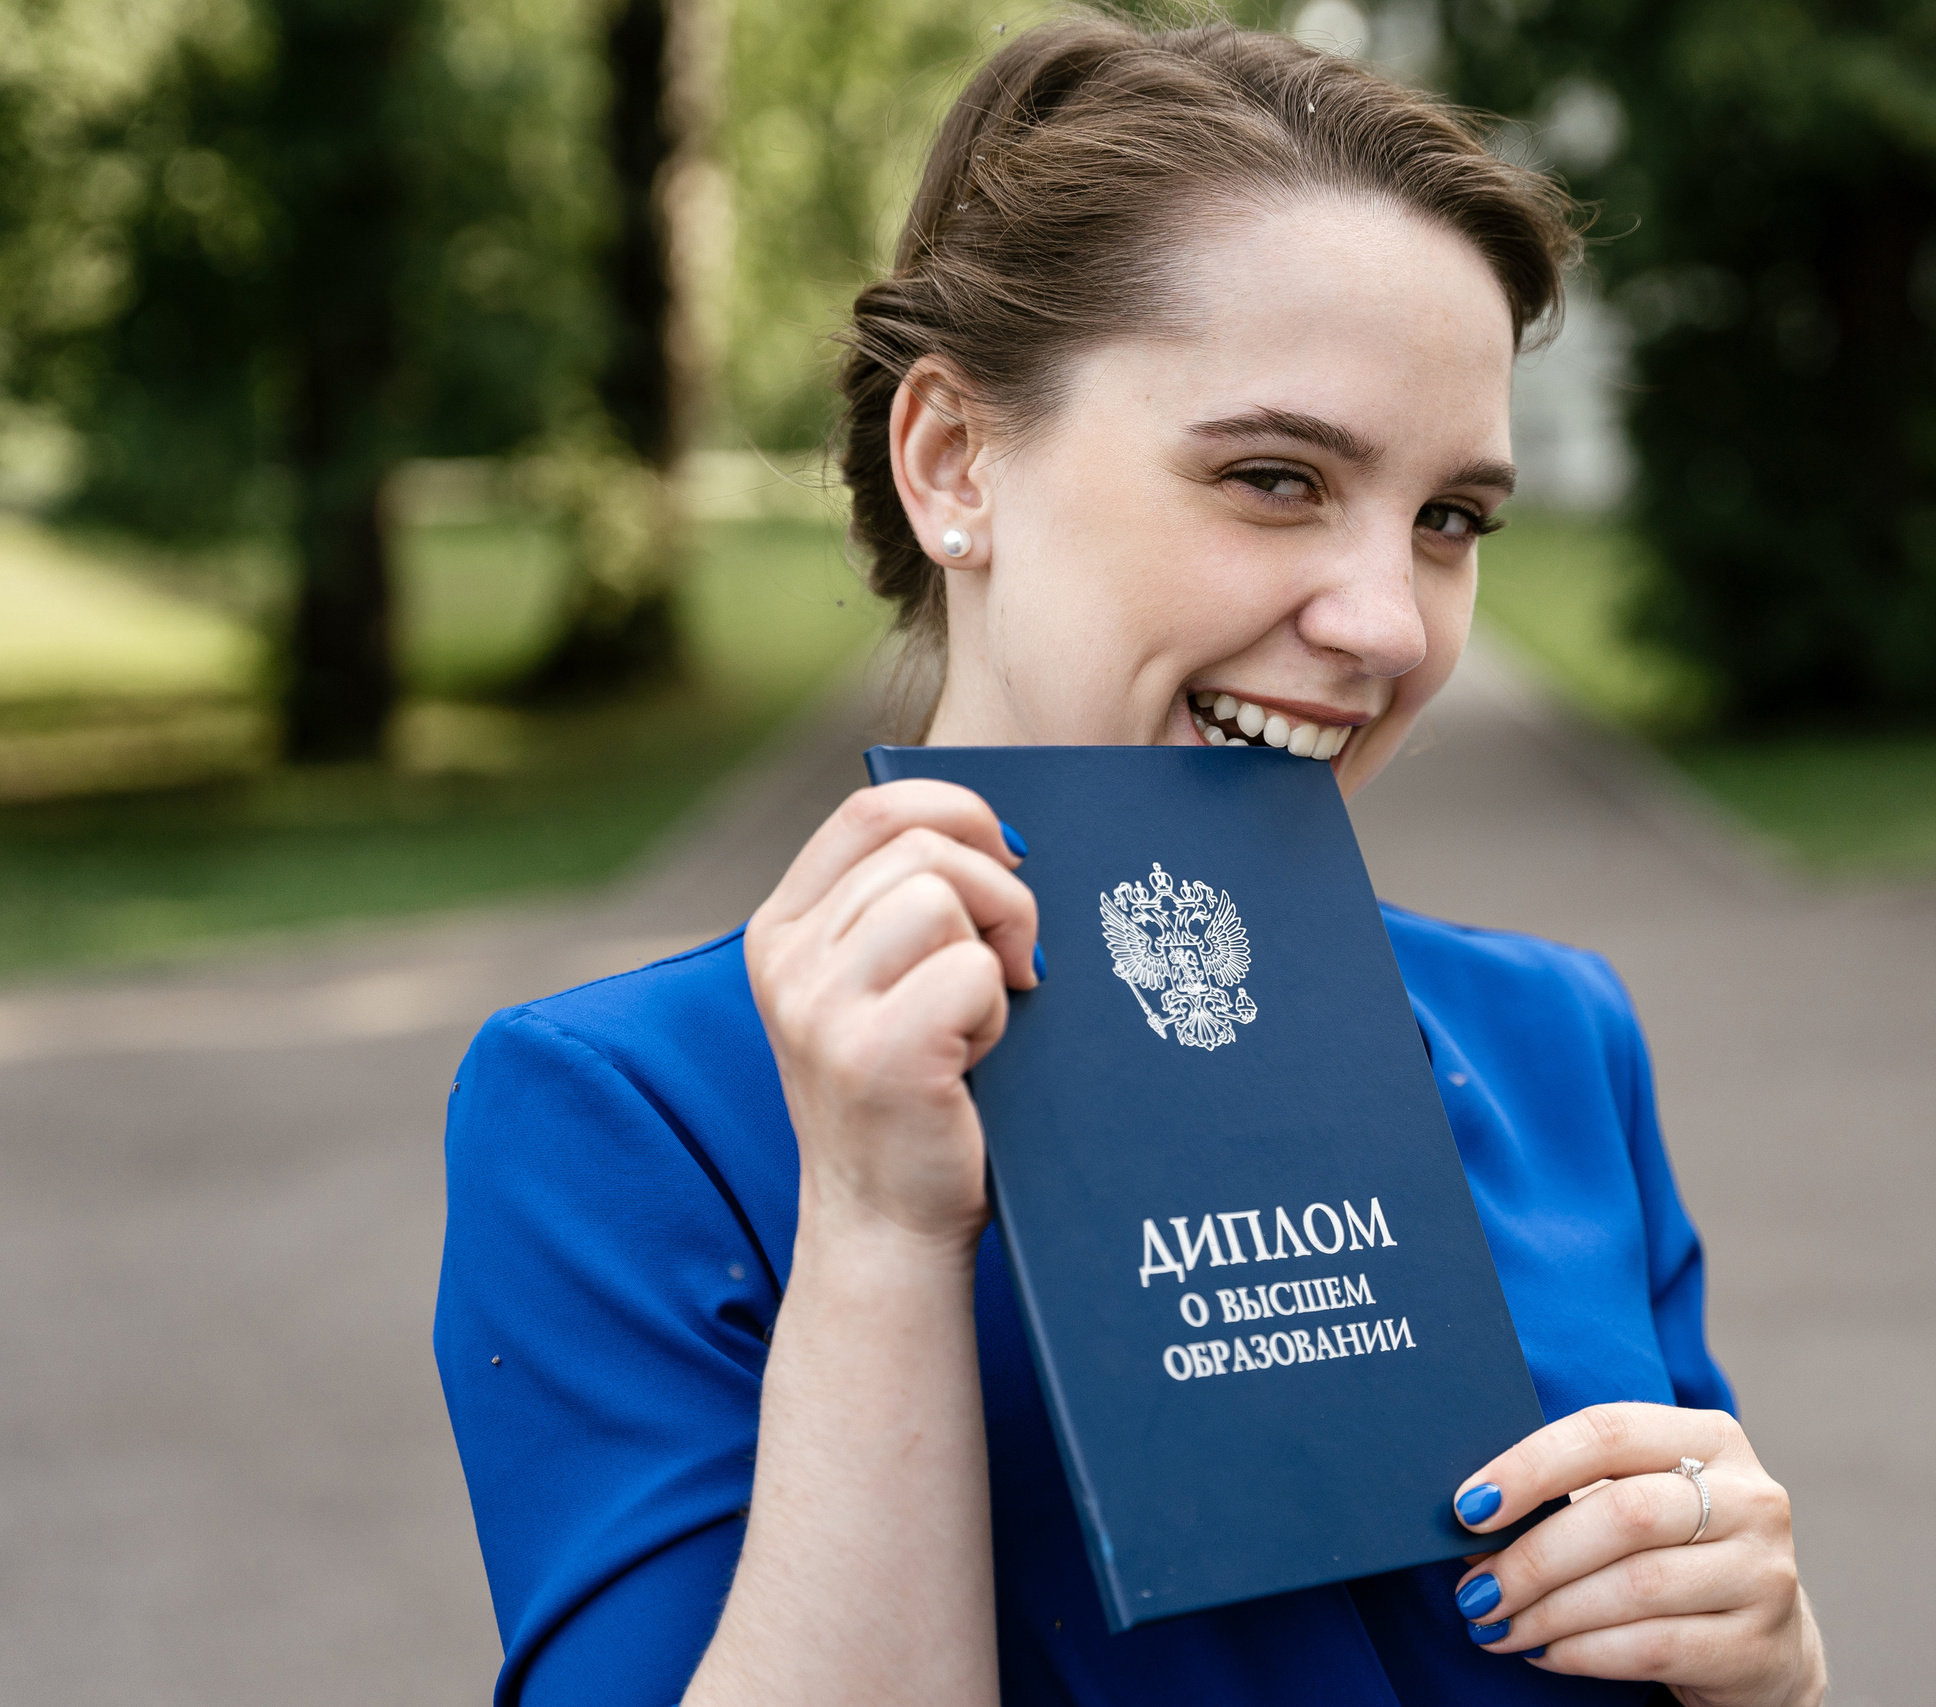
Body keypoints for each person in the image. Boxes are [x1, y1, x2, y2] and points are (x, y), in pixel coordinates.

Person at [434, 17, 1826, 1706]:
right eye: (1272, 476)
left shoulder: (1554, 1038)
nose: (1389, 623)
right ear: (955, 459)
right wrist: (876, 1227)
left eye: (1451, 517)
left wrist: (1769, 1664)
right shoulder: (633, 1117)